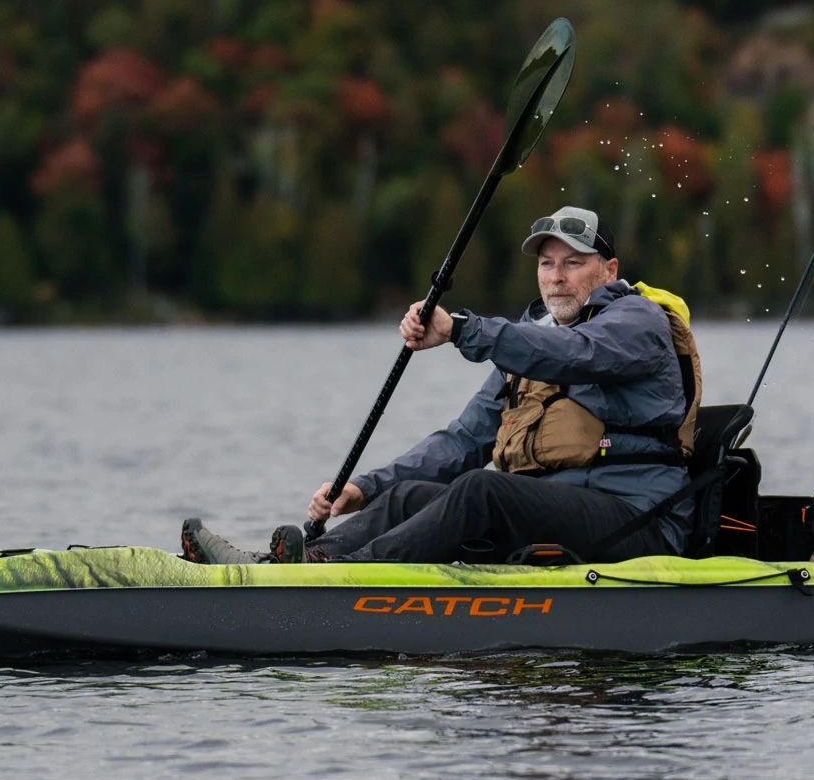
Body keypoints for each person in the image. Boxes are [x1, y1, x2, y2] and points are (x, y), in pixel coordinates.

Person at [181, 205, 702, 566]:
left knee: (482, 489)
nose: (556, 277)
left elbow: (577, 354)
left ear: (608, 270)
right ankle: (294, 565)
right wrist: (367, 487)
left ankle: (344, 575)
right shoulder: (532, 341)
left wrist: (462, 330)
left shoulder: (637, 320)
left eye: (573, 263)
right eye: (547, 264)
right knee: (410, 496)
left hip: (638, 521)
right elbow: (464, 440)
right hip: (558, 510)